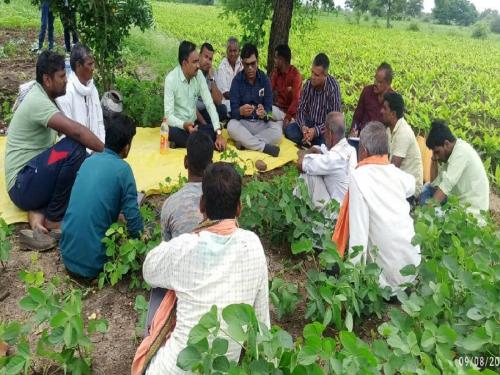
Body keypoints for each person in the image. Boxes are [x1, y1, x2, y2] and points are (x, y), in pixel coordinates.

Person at [140, 162, 270, 374]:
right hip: (223, 368)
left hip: (172, 368)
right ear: (239, 208)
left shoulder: (185, 246)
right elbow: (262, 320)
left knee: (160, 289)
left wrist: (170, 247)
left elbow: (149, 270)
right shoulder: (253, 244)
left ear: (202, 205)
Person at [5, 51, 104, 250]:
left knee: (79, 160)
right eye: (61, 76)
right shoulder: (38, 102)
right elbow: (75, 131)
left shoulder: (47, 97)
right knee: (75, 147)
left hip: (34, 173)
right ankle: (54, 218)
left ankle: (38, 216)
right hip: (22, 183)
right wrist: (106, 153)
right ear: (47, 79)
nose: (66, 80)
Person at [333, 121, 421, 292]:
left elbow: (359, 234)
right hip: (412, 268)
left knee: (365, 234)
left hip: (387, 281)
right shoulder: (398, 175)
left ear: (364, 150)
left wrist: (351, 283)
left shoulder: (359, 177)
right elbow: (411, 184)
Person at [143, 132, 215, 336]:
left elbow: (167, 250)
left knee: (158, 286)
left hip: (182, 282)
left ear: (185, 162)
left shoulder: (171, 204)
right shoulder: (220, 199)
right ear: (211, 163)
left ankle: (153, 332)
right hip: (213, 278)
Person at [60, 112, 143, 278]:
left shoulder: (88, 161)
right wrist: (143, 240)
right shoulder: (123, 170)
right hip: (95, 266)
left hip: (67, 256)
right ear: (126, 147)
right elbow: (134, 222)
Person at [164, 41, 226, 151]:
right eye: (194, 62)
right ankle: (203, 144)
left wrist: (219, 133)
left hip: (194, 126)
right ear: (184, 63)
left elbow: (209, 104)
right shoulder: (171, 80)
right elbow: (168, 116)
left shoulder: (199, 75)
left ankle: (194, 144)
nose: (198, 65)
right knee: (171, 132)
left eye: (198, 61)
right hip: (179, 127)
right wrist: (184, 125)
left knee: (214, 129)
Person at [419, 120, 489, 214]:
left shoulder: (461, 153)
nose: (436, 155)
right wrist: (434, 159)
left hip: (471, 212)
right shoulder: (450, 154)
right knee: (427, 188)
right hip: (456, 203)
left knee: (428, 203)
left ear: (446, 144)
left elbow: (445, 186)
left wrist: (426, 213)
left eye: (437, 152)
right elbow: (434, 184)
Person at [227, 44, 282, 157]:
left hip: (260, 123)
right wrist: (240, 111)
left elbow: (270, 109)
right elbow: (233, 112)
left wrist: (265, 114)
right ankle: (262, 147)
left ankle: (245, 143)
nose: (250, 68)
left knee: (277, 131)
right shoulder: (237, 81)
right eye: (247, 65)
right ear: (242, 63)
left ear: (258, 61)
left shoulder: (265, 79)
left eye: (253, 64)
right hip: (243, 123)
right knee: (231, 126)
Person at [297, 112, 356, 208]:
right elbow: (324, 151)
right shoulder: (351, 150)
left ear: (330, 133)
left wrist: (308, 152)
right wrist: (316, 152)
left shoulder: (333, 158)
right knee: (314, 168)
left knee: (309, 174)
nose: (323, 134)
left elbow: (300, 163)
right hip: (347, 211)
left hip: (334, 215)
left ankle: (299, 210)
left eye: (325, 131)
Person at [285, 53, 342, 147]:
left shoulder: (333, 88)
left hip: (324, 129)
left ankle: (310, 144)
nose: (313, 77)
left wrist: (316, 131)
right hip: (309, 124)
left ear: (325, 75)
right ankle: (309, 142)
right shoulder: (308, 84)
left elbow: (335, 120)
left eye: (316, 75)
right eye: (312, 72)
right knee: (290, 130)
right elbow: (301, 109)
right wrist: (303, 127)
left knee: (327, 141)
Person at [56, 43, 105, 149]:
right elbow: (65, 133)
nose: (93, 68)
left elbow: (100, 122)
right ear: (78, 65)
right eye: (89, 64)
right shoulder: (66, 92)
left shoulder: (92, 89)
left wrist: (100, 148)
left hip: (96, 150)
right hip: (75, 154)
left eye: (93, 64)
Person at [381, 92, 423, 198]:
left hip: (410, 190)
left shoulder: (404, 132)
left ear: (393, 114)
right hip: (398, 183)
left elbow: (394, 167)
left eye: (385, 108)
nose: (381, 111)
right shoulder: (389, 129)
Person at [350, 62, 394, 136]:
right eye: (375, 79)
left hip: (380, 142)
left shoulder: (393, 99)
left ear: (388, 84)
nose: (375, 83)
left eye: (379, 82)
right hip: (362, 137)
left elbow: (393, 126)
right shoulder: (367, 91)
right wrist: (354, 129)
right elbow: (357, 117)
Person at [270, 44, 302, 126]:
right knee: (267, 111)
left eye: (276, 58)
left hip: (290, 115)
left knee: (273, 122)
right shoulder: (276, 72)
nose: (274, 60)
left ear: (282, 60)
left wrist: (287, 117)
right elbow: (269, 90)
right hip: (277, 111)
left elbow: (296, 100)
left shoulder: (295, 75)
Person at [197, 43, 228, 123]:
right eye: (205, 57)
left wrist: (212, 78)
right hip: (194, 111)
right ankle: (207, 125)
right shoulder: (193, 71)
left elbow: (218, 101)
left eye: (210, 59)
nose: (207, 61)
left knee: (223, 109)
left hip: (206, 110)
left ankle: (209, 125)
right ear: (199, 56)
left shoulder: (211, 73)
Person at [215, 37, 243, 115]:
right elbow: (226, 93)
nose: (232, 54)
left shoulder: (243, 63)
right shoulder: (222, 67)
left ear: (239, 51)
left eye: (235, 51)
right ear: (227, 52)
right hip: (228, 101)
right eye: (230, 51)